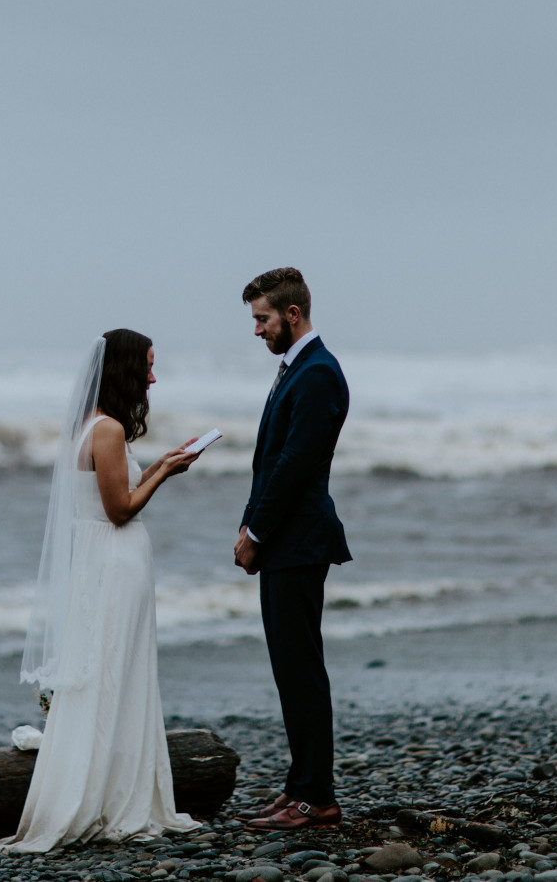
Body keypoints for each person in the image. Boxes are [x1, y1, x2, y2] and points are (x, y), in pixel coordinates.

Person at [0, 329, 203, 852]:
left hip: (101, 561)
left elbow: (112, 497)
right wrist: (166, 474)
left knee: (108, 667)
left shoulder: (90, 427)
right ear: (126, 370)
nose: (153, 377)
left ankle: (107, 781)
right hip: (115, 559)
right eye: (148, 366)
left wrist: (156, 464)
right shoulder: (107, 430)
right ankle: (112, 794)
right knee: (114, 672)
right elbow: (121, 510)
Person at [232, 268, 352, 832]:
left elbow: (293, 467)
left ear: (292, 315)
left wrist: (255, 532)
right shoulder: (297, 369)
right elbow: (271, 462)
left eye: (263, 319)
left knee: (301, 671)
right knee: (290, 669)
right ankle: (299, 788)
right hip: (287, 540)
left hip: (298, 540)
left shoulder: (319, 373)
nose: (257, 330)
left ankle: (316, 798)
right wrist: (251, 525)